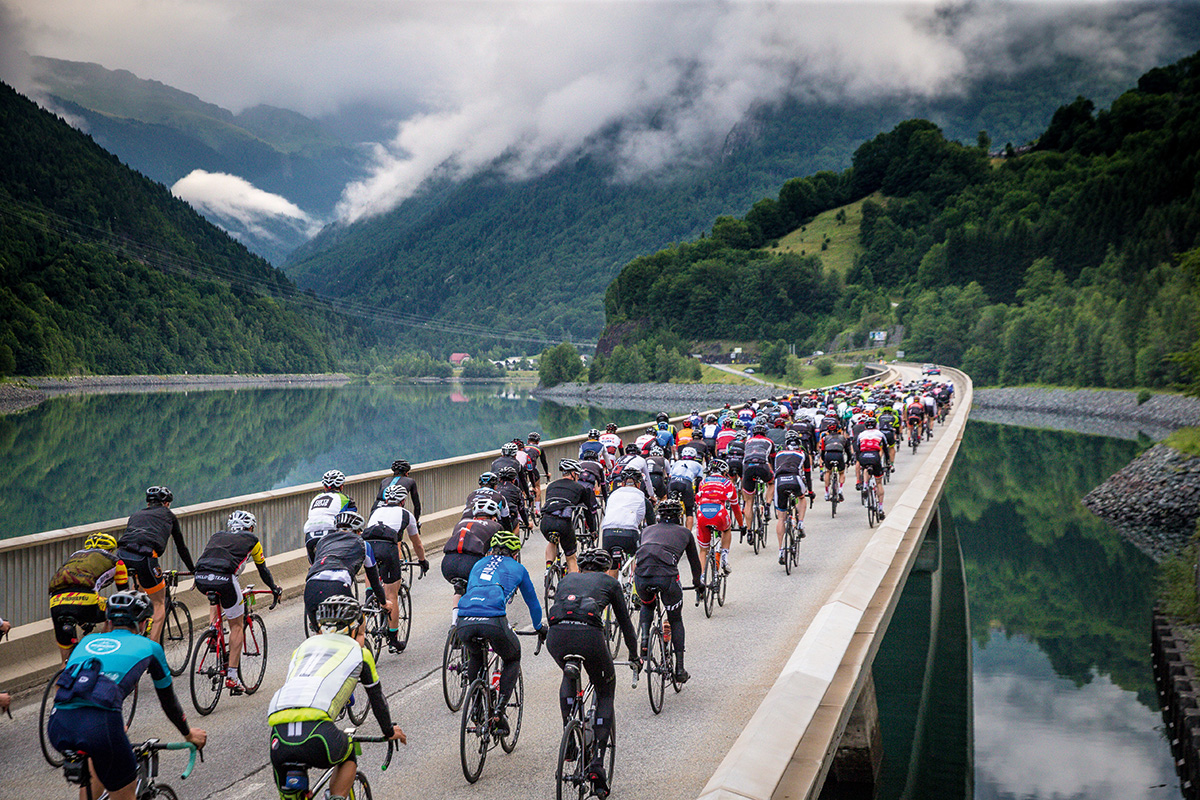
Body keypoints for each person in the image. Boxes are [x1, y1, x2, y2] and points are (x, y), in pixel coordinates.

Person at [48, 591, 206, 800]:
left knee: (98, 761)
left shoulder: (88, 642)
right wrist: (188, 734)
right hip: (99, 726)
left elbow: (64, 684)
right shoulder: (150, 647)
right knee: (124, 792)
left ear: (109, 621)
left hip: (58, 723)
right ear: (143, 624)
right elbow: (168, 702)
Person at [268, 596, 405, 800]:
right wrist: (388, 730)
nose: (362, 635)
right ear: (351, 628)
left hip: (279, 737)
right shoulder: (360, 653)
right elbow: (376, 699)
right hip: (318, 734)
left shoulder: (301, 649)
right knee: (347, 754)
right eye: (361, 631)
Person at [547, 549, 640, 798]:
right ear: (605, 568)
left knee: (569, 674)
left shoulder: (567, 579)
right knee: (605, 690)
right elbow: (625, 623)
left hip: (557, 637)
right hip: (589, 636)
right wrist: (634, 655)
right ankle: (597, 762)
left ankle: (570, 738)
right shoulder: (610, 582)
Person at [455, 530, 546, 738]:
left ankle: (476, 703)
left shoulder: (478, 564)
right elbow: (532, 603)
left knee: (476, 655)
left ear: (491, 550)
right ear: (515, 554)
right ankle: (499, 711)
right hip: (493, 620)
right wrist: (539, 628)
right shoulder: (519, 568)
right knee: (513, 657)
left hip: (464, 619)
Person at [193, 511, 282, 693]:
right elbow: (262, 569)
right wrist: (273, 588)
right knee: (237, 625)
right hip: (225, 578)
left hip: (201, 577)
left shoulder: (217, 535)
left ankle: (213, 631)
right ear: (250, 527)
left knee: (215, 597)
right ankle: (232, 676)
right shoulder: (252, 540)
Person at [634, 498, 704, 684]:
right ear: (679, 516)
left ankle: (644, 641)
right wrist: (698, 584)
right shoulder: (685, 533)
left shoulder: (646, 530)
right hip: (666, 577)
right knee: (675, 619)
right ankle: (679, 669)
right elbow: (695, 564)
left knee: (647, 605)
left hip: (641, 575)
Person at [117, 486, 196, 648]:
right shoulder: (169, 515)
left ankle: (130, 638)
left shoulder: (136, 514)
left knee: (135, 593)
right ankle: (151, 653)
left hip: (121, 557)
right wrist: (193, 569)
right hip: (145, 558)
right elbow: (181, 547)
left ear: (148, 503)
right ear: (166, 503)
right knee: (159, 603)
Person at [49, 532, 130, 666]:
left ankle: (62, 677)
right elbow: (124, 595)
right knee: (115, 608)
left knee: (66, 661)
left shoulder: (74, 556)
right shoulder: (116, 562)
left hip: (56, 602)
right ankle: (104, 652)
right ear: (110, 550)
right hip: (86, 600)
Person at [364, 485, 428, 653]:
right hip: (388, 549)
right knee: (391, 594)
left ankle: (370, 598)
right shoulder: (406, 514)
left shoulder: (375, 512)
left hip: (368, 546)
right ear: (403, 501)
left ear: (385, 500)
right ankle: (393, 640)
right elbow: (417, 543)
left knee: (371, 569)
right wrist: (422, 561)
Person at [304, 512, 392, 633]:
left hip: (311, 587)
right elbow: (374, 582)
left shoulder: (322, 542)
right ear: (358, 532)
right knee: (358, 629)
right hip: (337, 586)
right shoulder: (364, 545)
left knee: (321, 634)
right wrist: (384, 602)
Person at [444, 496, 505, 612]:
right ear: (493, 517)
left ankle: (454, 622)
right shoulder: (496, 526)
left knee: (459, 588)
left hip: (448, 565)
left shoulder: (460, 522)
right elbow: (500, 555)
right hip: (471, 563)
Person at [541, 459, 599, 576]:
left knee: (552, 542)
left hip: (546, 522)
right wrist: (593, 531)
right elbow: (588, 512)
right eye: (577, 474)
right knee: (571, 557)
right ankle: (573, 581)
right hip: (563, 523)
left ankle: (548, 569)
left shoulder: (551, 486)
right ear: (573, 473)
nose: (578, 477)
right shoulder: (580, 488)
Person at [599, 468, 656, 578]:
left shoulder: (613, 495)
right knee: (637, 558)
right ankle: (635, 589)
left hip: (608, 533)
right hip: (629, 533)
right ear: (639, 484)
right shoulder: (642, 498)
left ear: (623, 483)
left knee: (611, 566)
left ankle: (611, 590)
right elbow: (651, 525)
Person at [694, 460, 743, 573]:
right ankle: (724, 558)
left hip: (702, 513)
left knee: (703, 550)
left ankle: (702, 576)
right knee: (726, 529)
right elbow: (735, 508)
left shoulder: (703, 482)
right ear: (725, 472)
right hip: (719, 513)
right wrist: (741, 525)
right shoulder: (727, 483)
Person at [303, 471, 358, 563]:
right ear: (341, 486)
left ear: (325, 487)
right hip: (330, 531)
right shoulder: (345, 498)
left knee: (313, 565)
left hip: (309, 534)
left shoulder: (316, 498)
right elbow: (351, 518)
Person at [773, 434, 809, 564]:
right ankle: (800, 522)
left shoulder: (779, 454)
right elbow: (808, 472)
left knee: (781, 518)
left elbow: (774, 471)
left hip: (780, 481)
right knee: (802, 497)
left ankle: (781, 550)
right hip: (795, 479)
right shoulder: (801, 454)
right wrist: (810, 491)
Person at [741, 424, 777, 526]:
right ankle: (767, 506)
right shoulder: (769, 441)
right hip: (762, 465)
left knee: (749, 502)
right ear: (765, 434)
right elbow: (772, 458)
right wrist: (773, 472)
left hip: (748, 466)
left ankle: (749, 532)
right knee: (771, 483)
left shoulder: (747, 442)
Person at [855, 418, 888, 519]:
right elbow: (885, 448)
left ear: (865, 427)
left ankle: (865, 485)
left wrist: (858, 459)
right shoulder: (880, 433)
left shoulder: (861, 434)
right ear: (876, 426)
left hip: (864, 456)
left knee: (865, 469)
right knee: (878, 483)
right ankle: (881, 509)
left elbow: (857, 447)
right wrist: (889, 463)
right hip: (875, 456)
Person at [820, 422, 851, 502]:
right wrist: (848, 461)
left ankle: (826, 493)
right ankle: (840, 489)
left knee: (828, 472)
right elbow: (848, 451)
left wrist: (823, 461)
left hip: (829, 455)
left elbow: (822, 452)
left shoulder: (825, 438)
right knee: (841, 473)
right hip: (839, 455)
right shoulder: (842, 438)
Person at [496, 465, 532, 535]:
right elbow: (521, 509)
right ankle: (514, 540)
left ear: (499, 479)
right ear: (514, 480)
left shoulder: (495, 488)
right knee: (516, 523)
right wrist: (527, 523)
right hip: (509, 517)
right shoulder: (517, 490)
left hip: (495, 516)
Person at [525, 432, 549, 512]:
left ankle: (524, 508)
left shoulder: (523, 447)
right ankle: (537, 510)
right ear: (538, 442)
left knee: (523, 489)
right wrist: (547, 473)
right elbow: (544, 462)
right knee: (537, 487)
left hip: (522, 469)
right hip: (532, 469)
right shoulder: (539, 448)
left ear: (528, 441)